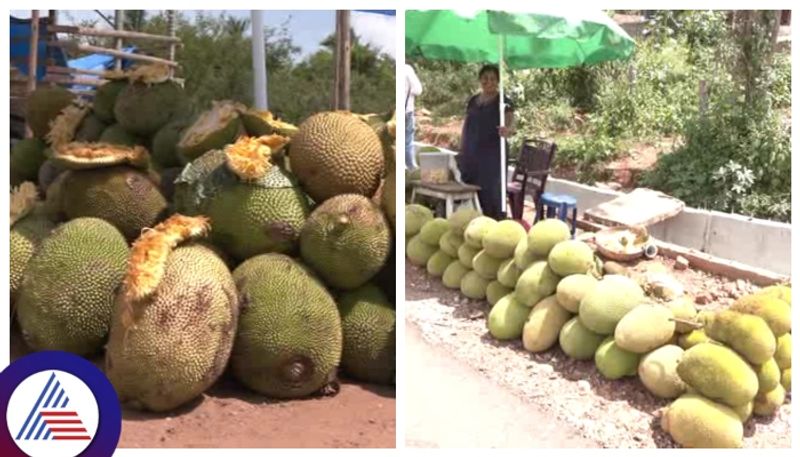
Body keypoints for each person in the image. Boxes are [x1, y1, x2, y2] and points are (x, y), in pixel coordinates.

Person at [458, 64, 515, 220]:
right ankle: (472, 221)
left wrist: (507, 130)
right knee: (470, 186)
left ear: (498, 81)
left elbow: (512, 125)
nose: (488, 82)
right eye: (485, 78)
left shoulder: (504, 101)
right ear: (480, 80)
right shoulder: (473, 101)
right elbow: (467, 124)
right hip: (472, 152)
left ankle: (493, 222)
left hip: (493, 154)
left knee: (491, 190)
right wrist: (461, 147)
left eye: (492, 79)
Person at [405, 63, 423, 170]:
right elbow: (418, 90)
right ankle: (410, 168)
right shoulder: (407, 69)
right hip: (407, 111)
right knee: (407, 141)